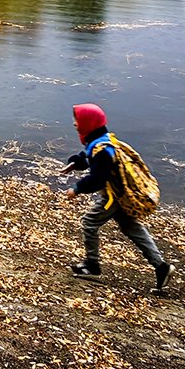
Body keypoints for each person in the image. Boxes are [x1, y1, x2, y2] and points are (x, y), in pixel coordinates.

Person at [64, 102, 174, 293]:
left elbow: (98, 178)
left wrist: (77, 188)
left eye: (78, 120)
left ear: (89, 124)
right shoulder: (102, 140)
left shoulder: (103, 150)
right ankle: (161, 267)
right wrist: (76, 163)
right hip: (121, 196)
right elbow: (90, 158)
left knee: (89, 222)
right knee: (132, 228)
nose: (75, 124)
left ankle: (92, 265)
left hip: (113, 197)